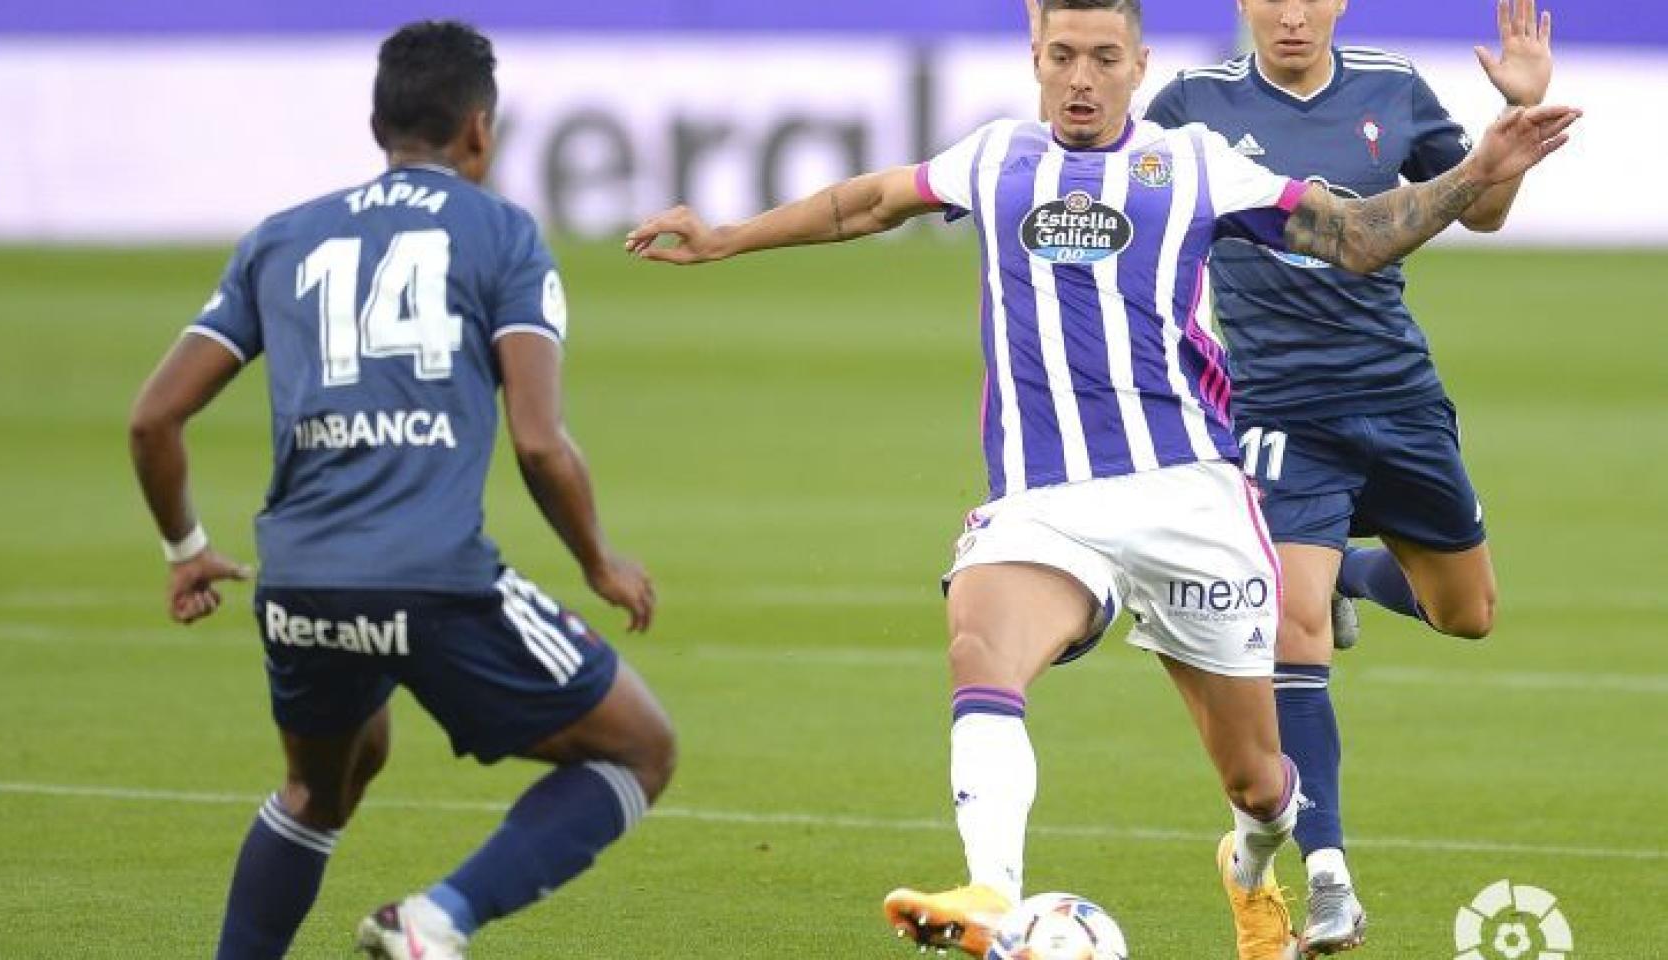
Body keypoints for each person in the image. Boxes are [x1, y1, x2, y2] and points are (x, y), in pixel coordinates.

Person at [626, 1, 1574, 957]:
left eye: (1103, 58)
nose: (1081, 77)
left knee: (1257, 780)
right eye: (1064, 55)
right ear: (1035, 58)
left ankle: (1252, 858)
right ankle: (993, 893)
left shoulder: (1196, 162)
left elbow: (1358, 237)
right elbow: (868, 202)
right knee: (980, 644)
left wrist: (1477, 173)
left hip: (1191, 500)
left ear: (1138, 66)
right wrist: (727, 237)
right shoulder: (993, 159)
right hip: (1045, 505)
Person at [127, 21, 674, 960]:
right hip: (435, 578)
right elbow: (540, 443)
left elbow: (152, 419)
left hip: (296, 583)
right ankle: (434, 923)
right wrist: (599, 561)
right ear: (480, 130)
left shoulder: (281, 239)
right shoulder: (502, 233)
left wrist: (186, 550)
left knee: (324, 786)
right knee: (639, 749)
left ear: (377, 122)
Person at [1033, 0, 1552, 952]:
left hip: (1398, 393)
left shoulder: (1391, 88)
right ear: (1244, 6)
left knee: (1468, 612)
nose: (1291, 13)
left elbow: (1482, 210)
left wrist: (1505, 128)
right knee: (1290, 629)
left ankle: (1353, 573)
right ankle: (1328, 876)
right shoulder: (1191, 102)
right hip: (1276, 407)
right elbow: (1110, 175)